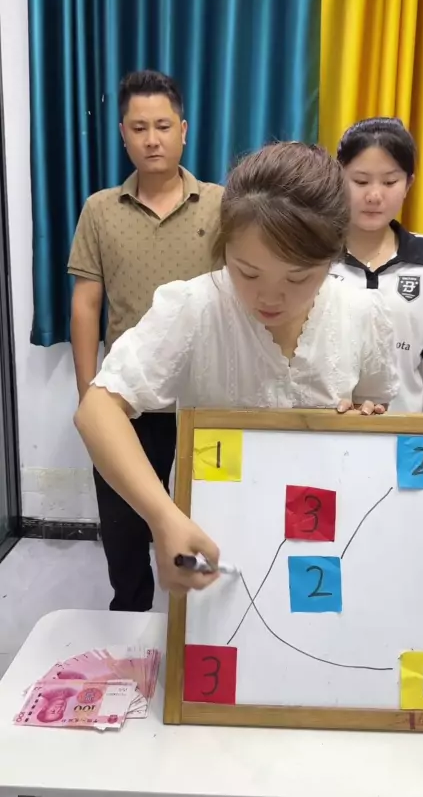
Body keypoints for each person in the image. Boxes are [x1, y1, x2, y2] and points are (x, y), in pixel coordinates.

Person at [74, 141, 399, 597]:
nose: (270, 297)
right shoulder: (195, 307)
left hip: (324, 535)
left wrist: (366, 419)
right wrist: (164, 517)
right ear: (225, 246)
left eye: (298, 277)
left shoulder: (361, 313)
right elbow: (96, 410)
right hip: (219, 540)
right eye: (247, 272)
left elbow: (375, 407)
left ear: (333, 256)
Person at [67, 70, 223, 612]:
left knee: (202, 519)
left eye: (162, 126)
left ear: (184, 130)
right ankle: (130, 614)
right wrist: (89, 393)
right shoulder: (100, 209)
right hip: (126, 401)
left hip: (204, 399)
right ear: (122, 134)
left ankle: (199, 625)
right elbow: (86, 305)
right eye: (139, 128)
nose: (152, 139)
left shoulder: (221, 205)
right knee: (126, 531)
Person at [332, 117, 423, 414]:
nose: (374, 195)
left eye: (390, 182)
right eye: (360, 181)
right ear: (338, 179)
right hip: (326, 428)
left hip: (405, 433)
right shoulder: (313, 255)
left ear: (408, 184)